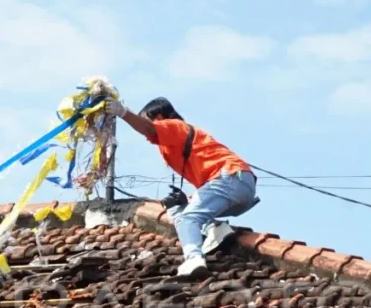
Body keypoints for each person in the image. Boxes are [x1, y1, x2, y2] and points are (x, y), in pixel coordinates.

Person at [105, 96, 258, 277]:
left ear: (159, 117)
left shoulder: (175, 126)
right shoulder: (174, 142)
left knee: (188, 218)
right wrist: (187, 200)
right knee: (176, 208)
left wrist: (122, 113)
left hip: (230, 178)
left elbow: (148, 128)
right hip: (237, 185)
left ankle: (193, 259)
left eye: (145, 118)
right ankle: (216, 229)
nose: (145, 134)